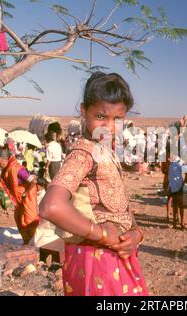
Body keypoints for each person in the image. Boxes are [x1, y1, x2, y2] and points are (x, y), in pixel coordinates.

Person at [39, 72, 148, 296]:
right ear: (83, 111)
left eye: (117, 119)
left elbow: (119, 206)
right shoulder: (84, 152)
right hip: (96, 260)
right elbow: (51, 206)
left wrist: (136, 234)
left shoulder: (104, 151)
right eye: (100, 116)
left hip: (114, 258)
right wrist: (99, 233)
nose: (108, 126)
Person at [0, 149, 39, 244]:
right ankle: (27, 241)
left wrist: (26, 193)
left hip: (28, 195)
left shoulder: (18, 169)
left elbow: (33, 182)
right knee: (19, 218)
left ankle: (34, 241)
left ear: (5, 160)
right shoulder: (6, 170)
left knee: (29, 219)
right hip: (19, 198)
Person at [168, 154, 185, 229]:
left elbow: (184, 174)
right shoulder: (171, 164)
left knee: (180, 205)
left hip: (179, 187)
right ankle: (174, 222)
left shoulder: (180, 162)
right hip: (172, 187)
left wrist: (182, 184)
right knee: (175, 205)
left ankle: (182, 223)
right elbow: (170, 176)